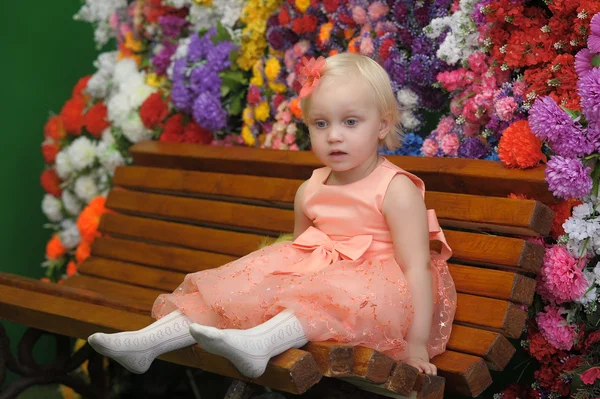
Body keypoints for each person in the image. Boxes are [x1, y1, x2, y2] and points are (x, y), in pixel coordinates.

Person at [88, 52, 456, 379]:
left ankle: (259, 343)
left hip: (379, 293)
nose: (334, 137)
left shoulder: (396, 189)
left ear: (382, 124)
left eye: (350, 122)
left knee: (332, 295)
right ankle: (147, 342)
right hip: (322, 277)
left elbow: (415, 269)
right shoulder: (310, 189)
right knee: (243, 286)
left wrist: (417, 343)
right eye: (321, 124)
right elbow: (297, 252)